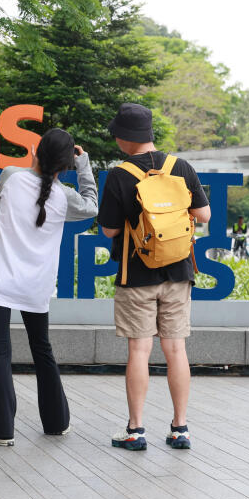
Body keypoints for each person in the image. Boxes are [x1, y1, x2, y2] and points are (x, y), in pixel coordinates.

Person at [0, 128, 98, 447]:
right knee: (42, 350)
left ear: (36, 152)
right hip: (35, 288)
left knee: (0, 351)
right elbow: (91, 206)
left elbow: (0, 198)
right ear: (66, 164)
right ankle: (56, 423)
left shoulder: (11, 176)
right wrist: (84, 167)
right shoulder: (64, 197)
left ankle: (0, 430)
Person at [98, 103, 210, 451]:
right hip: (178, 273)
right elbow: (203, 215)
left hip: (137, 275)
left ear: (125, 137)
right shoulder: (180, 167)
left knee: (139, 351)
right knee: (176, 349)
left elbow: (109, 231)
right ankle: (180, 429)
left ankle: (136, 430)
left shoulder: (120, 175)